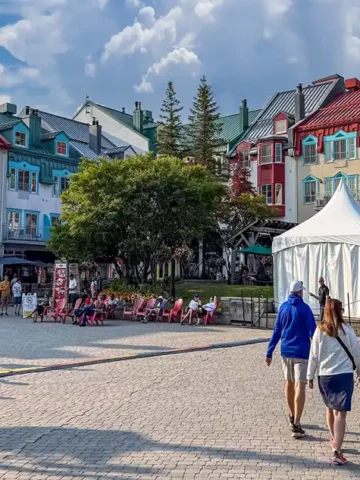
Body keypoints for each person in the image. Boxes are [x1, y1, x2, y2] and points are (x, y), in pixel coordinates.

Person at [307, 298, 360, 465]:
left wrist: (309, 375)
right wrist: (359, 369)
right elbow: (356, 351)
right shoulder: (347, 330)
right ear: (339, 311)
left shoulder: (319, 331)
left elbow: (313, 355)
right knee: (341, 413)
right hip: (343, 375)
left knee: (331, 409)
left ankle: (335, 440)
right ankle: (337, 447)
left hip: (325, 376)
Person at [266, 280, 316, 438]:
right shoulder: (305, 309)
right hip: (302, 352)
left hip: (286, 351)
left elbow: (276, 331)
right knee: (300, 385)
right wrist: (319, 352)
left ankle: (291, 415)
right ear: (300, 292)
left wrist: (269, 351)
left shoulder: (283, 307)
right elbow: (313, 332)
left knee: (289, 382)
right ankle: (297, 424)